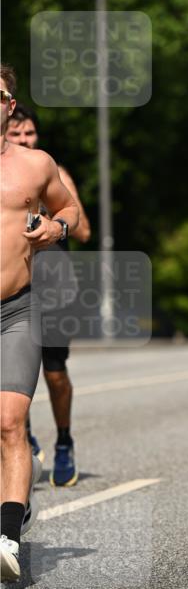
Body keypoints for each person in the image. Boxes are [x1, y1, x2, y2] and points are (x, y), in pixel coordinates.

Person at [0, 64, 79, 582]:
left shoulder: (35, 164)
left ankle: (7, 539)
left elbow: (69, 205)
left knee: (10, 423)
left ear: (9, 108)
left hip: (16, 310)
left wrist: (58, 226)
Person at [6, 103, 91, 485]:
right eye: (18, 133)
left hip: (54, 285)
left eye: (30, 133)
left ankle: (63, 441)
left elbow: (84, 230)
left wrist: (53, 222)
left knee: (55, 374)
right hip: (17, 285)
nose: (24, 138)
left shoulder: (48, 169)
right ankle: (21, 439)